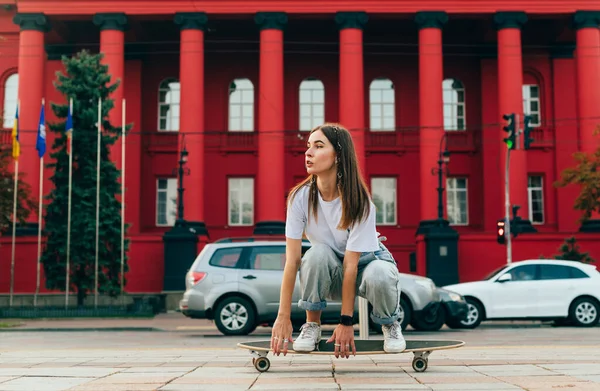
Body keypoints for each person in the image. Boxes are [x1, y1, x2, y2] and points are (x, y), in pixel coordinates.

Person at [270, 123, 406, 359]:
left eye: (318, 146)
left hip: (366, 263)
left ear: (338, 156)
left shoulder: (359, 202)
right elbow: (292, 262)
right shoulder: (299, 198)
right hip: (331, 267)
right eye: (308, 146)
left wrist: (346, 323)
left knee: (380, 274)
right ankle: (312, 325)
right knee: (316, 253)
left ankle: (390, 324)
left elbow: (351, 266)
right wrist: (283, 316)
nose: (308, 153)